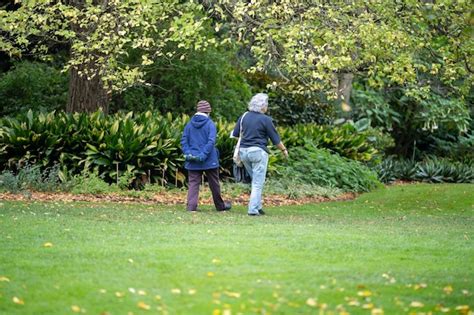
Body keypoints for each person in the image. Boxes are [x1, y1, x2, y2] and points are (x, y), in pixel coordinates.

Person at [231, 93, 288, 216]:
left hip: (244, 152)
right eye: (266, 105)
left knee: (255, 180)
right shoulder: (266, 120)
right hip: (258, 152)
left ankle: (258, 206)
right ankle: (253, 209)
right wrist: (284, 150)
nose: (267, 107)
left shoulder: (244, 116)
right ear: (262, 106)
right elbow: (275, 139)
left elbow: (235, 135)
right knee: (258, 182)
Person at [181, 100, 232, 212]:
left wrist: (188, 153)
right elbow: (211, 141)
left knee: (193, 183)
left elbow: (184, 140)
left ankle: (191, 207)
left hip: (192, 159)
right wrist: (203, 154)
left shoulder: (189, 124)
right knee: (214, 183)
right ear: (208, 111)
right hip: (209, 159)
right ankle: (220, 206)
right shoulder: (210, 124)